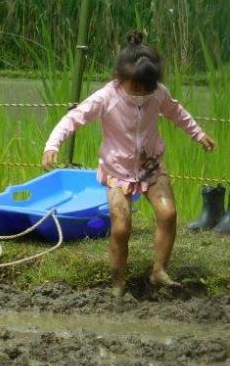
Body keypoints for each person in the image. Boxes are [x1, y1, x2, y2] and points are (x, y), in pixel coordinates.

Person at [42, 32, 216, 298]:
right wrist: (52, 145)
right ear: (121, 78)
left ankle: (159, 271)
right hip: (117, 170)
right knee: (121, 227)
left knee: (168, 214)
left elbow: (176, 112)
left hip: (150, 165)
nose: (142, 94)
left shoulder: (157, 93)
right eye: (136, 88)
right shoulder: (106, 97)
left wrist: (198, 134)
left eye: (148, 88)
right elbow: (73, 119)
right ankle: (118, 283)